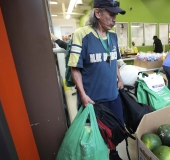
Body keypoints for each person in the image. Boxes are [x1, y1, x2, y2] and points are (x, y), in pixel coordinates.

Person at [67, 0, 126, 159]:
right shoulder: (82, 34)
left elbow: (114, 61)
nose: (115, 19)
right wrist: (83, 95)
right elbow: (75, 67)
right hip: (93, 99)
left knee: (115, 128)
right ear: (98, 13)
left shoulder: (113, 36)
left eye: (116, 16)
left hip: (113, 95)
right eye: (111, 14)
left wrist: (119, 78)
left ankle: (113, 153)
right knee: (95, 133)